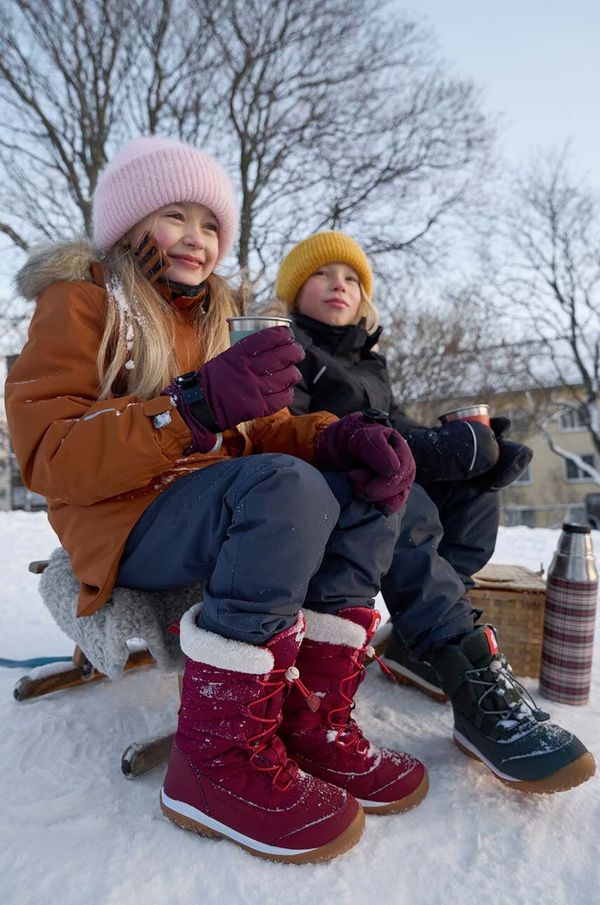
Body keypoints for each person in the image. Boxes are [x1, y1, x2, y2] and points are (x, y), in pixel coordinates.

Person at [5, 138, 427, 864]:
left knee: (350, 483)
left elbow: (263, 431)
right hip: (124, 523)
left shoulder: (211, 316)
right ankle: (215, 757)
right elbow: (49, 453)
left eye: (210, 224)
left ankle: (310, 719)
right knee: (282, 485)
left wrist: (336, 438)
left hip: (208, 504)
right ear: (130, 223)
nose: (197, 238)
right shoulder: (82, 301)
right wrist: (187, 407)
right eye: (176, 215)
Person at [272, 230, 596, 794]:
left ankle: (424, 647)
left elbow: (397, 428)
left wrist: (465, 448)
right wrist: (408, 455)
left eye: (351, 278)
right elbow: (285, 435)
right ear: (295, 290)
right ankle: (468, 679)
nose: (339, 285)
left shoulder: (370, 365)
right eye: (323, 275)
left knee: (474, 490)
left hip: (376, 486)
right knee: (401, 490)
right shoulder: (288, 349)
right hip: (319, 498)